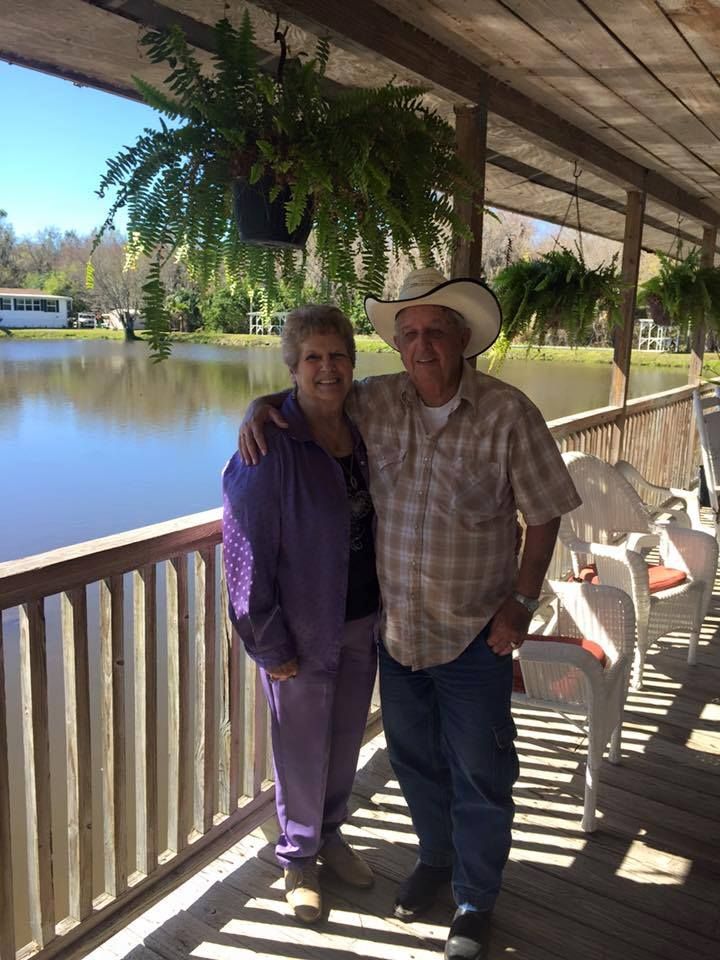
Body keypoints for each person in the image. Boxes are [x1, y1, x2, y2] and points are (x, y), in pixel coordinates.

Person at [239, 269, 581, 959]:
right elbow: (312, 393)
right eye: (411, 333)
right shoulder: (377, 402)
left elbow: (544, 512)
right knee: (416, 762)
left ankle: (474, 901)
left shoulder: (509, 412)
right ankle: (432, 860)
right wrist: (259, 406)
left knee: (482, 772)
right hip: (397, 638)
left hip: (474, 636)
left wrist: (521, 601)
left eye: (436, 331)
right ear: (396, 344)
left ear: (462, 339)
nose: (423, 345)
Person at [223, 305, 380, 925]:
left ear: (352, 362)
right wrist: (268, 641)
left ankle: (330, 836)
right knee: (300, 750)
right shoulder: (269, 443)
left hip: (363, 620)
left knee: (344, 745)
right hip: (302, 632)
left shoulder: (363, 424)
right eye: (312, 357)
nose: (326, 367)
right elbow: (243, 551)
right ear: (293, 366)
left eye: (337, 354)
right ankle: (298, 860)